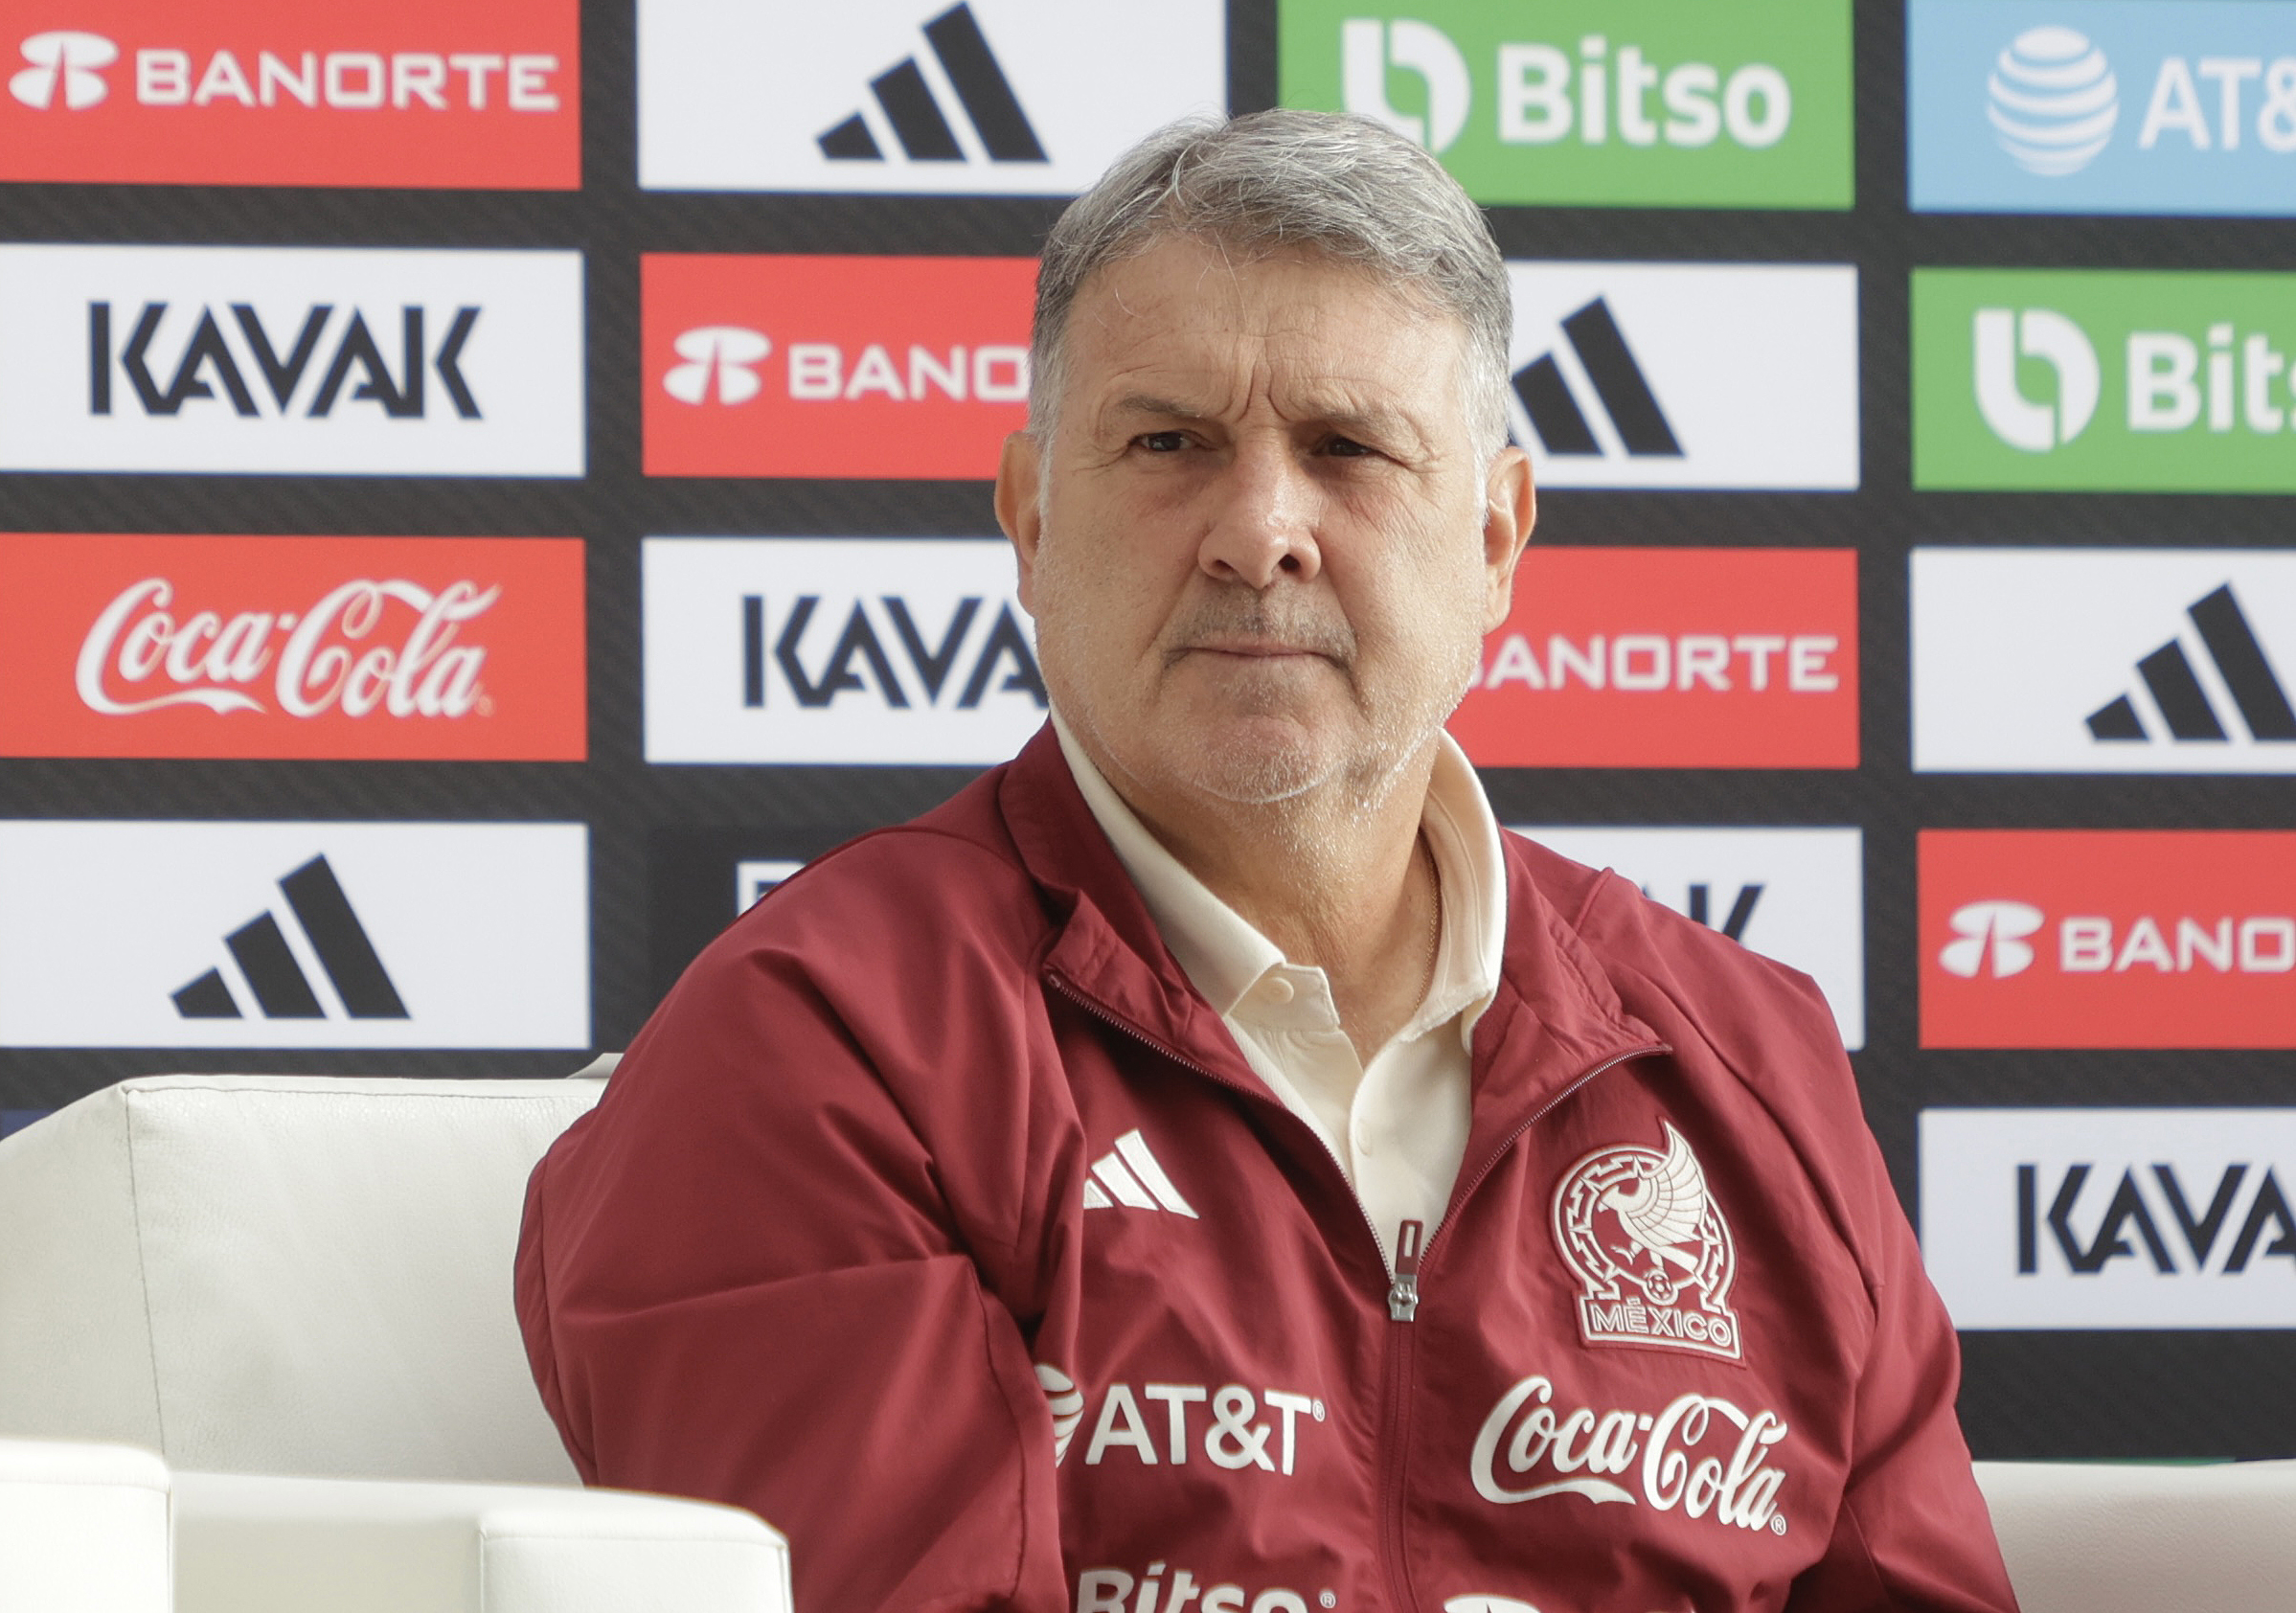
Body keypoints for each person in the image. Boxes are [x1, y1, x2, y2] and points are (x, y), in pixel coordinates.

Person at [516, 110, 2018, 1613]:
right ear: (1030, 521)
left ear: (1494, 541)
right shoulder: (824, 1036)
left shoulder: (1746, 1056)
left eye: (1346, 447)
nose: (1257, 533)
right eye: (1167, 443)